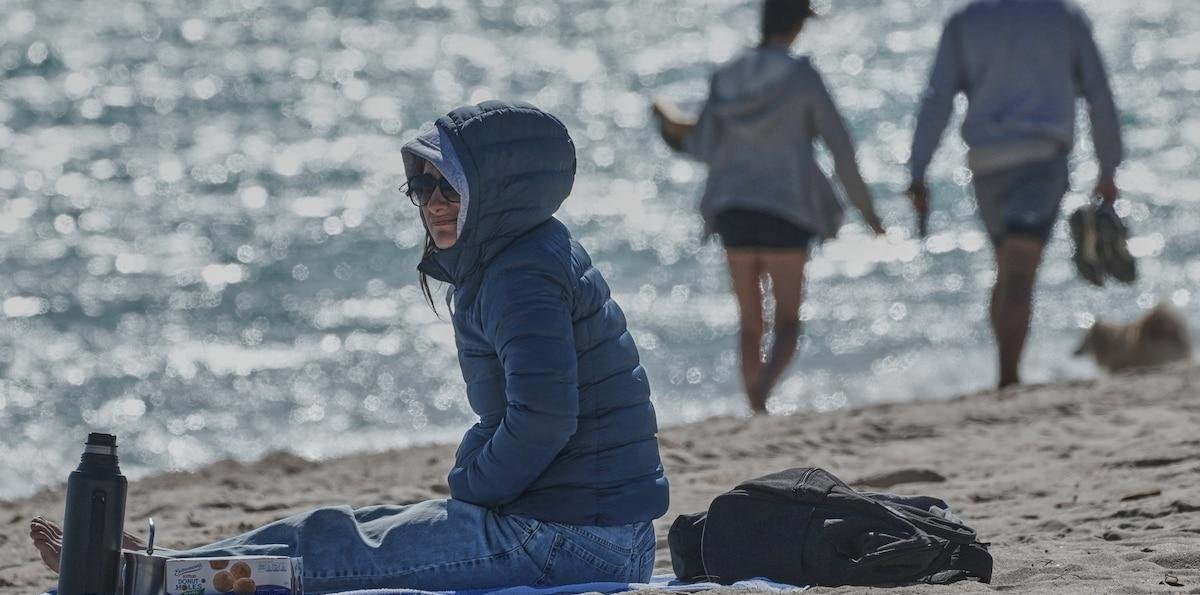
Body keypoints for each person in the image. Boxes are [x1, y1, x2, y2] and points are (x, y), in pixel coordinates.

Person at [31, 101, 669, 593]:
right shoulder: (525, 253)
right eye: (422, 188)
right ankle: (149, 566)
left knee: (338, 554)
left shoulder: (520, 277)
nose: (434, 205)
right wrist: (474, 486)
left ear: (498, 192)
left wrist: (470, 486)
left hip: (571, 541)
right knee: (339, 529)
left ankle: (142, 579)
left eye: (451, 188)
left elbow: (544, 420)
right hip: (584, 525)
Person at [654, 0, 885, 414]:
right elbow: (840, 148)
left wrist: (669, 129)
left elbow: (703, 146)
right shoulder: (801, 76)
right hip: (787, 208)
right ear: (797, 24)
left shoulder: (726, 75)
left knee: (749, 323)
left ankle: (753, 402)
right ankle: (761, 395)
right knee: (789, 323)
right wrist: (867, 212)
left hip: (732, 208)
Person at [906, 0, 1123, 388]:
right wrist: (1108, 168)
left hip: (986, 163)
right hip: (1042, 158)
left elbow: (936, 98)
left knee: (1007, 265)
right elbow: (1099, 95)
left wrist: (919, 169)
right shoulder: (1063, 16)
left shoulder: (965, 21)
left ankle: (1004, 370)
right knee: (1020, 270)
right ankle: (1008, 377)